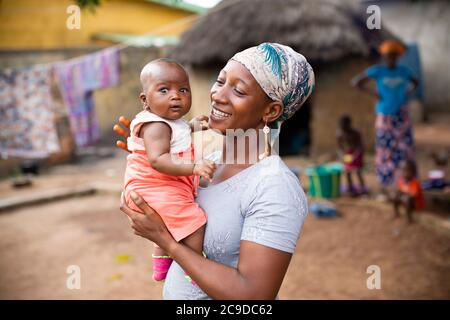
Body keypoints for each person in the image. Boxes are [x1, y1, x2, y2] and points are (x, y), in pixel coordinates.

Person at [115, 43, 315, 299]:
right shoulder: (207, 161)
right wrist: (147, 157)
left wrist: (166, 243)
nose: (219, 95)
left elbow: (254, 296)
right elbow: (173, 201)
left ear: (271, 110)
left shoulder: (274, 186)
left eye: (238, 90)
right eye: (220, 81)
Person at [121, 58, 216, 282]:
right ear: (145, 100)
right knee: (194, 222)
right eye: (164, 90)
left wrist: (191, 126)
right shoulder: (155, 125)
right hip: (153, 187)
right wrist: (194, 167)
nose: (176, 95)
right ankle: (193, 268)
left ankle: (161, 263)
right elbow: (159, 159)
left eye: (183, 89)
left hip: (159, 187)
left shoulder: (168, 122)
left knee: (170, 221)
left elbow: (175, 134)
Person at [352, 40, 419, 198]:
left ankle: (405, 183)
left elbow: (416, 82)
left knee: (405, 149)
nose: (391, 59)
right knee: (385, 150)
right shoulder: (377, 71)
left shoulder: (405, 71)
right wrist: (374, 94)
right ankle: (386, 184)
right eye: (389, 56)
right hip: (385, 116)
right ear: (384, 56)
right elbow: (356, 83)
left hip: (402, 117)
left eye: (394, 56)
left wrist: (408, 93)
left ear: (398, 57)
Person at [337, 114, 367, 196]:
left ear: (349, 124)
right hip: (348, 154)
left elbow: (361, 145)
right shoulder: (340, 134)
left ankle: (363, 188)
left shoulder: (356, 133)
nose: (343, 128)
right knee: (347, 172)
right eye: (342, 126)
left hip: (357, 153)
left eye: (345, 125)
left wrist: (356, 154)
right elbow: (340, 147)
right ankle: (350, 189)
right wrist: (342, 155)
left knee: (358, 171)